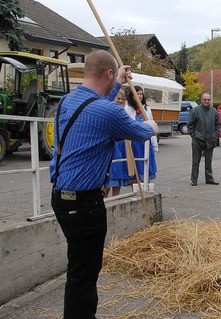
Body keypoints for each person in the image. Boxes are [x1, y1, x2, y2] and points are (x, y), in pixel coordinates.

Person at [50, 50, 158, 319]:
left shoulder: (66, 102)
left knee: (79, 269)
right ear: (108, 73)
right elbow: (140, 132)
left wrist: (119, 82)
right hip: (85, 204)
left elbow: (95, 107)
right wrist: (153, 126)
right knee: (84, 274)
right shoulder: (108, 112)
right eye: (115, 76)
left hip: (61, 199)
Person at [126, 86, 158, 184]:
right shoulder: (127, 109)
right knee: (136, 169)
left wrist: (154, 144)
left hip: (146, 143)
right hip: (134, 143)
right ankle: (136, 187)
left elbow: (152, 127)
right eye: (137, 94)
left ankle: (146, 186)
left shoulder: (147, 109)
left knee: (146, 167)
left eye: (141, 94)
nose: (139, 96)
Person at [187, 93, 221, 186]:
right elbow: (190, 125)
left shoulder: (214, 111)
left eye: (208, 99)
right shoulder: (195, 111)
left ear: (210, 100)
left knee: (208, 161)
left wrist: (215, 135)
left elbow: (218, 125)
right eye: (205, 99)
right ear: (201, 100)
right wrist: (194, 136)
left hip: (210, 140)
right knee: (195, 161)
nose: (206, 101)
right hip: (198, 139)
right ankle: (194, 180)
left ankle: (209, 178)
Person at [104, 91, 130, 198]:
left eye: (122, 99)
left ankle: (116, 198)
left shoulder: (124, 112)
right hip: (112, 145)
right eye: (118, 98)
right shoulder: (109, 111)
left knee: (118, 174)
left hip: (121, 146)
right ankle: (104, 199)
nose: (120, 101)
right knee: (110, 174)